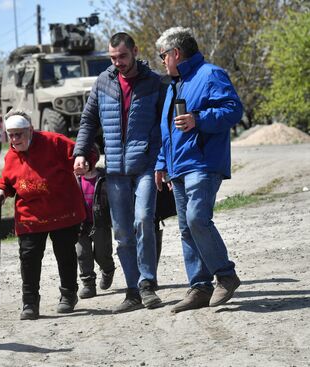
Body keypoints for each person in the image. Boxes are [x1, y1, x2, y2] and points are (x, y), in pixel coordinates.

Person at [73, 32, 166, 313]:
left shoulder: (154, 83)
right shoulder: (103, 82)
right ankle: (133, 290)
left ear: (135, 51)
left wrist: (160, 160)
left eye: (122, 57)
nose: (118, 63)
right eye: (113, 58)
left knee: (143, 222)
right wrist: (80, 152)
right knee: (123, 234)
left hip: (145, 167)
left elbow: (165, 126)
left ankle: (148, 285)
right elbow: (88, 120)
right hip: (114, 171)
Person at [154, 27, 242, 313]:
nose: (162, 61)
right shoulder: (174, 84)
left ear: (176, 54)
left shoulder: (210, 74)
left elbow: (233, 110)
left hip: (203, 163)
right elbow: (167, 131)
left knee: (196, 219)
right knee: (186, 229)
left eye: (163, 56)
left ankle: (225, 275)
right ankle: (200, 288)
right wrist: (161, 164)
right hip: (178, 167)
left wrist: (198, 119)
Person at [0, 109, 97, 320]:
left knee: (65, 254)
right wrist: (1, 190)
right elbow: (7, 180)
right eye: (10, 135)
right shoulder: (11, 155)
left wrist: (83, 161)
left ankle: (68, 294)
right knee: (29, 258)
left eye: (19, 134)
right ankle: (30, 303)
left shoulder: (54, 142)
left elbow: (85, 151)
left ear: (30, 130)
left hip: (62, 211)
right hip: (30, 216)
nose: (14, 139)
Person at [75, 148, 115, 299]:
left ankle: (108, 270)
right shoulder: (75, 178)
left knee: (102, 254)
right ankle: (88, 284)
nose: (82, 165)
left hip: (100, 223)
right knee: (82, 254)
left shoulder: (104, 177)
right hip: (81, 225)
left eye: (86, 161)